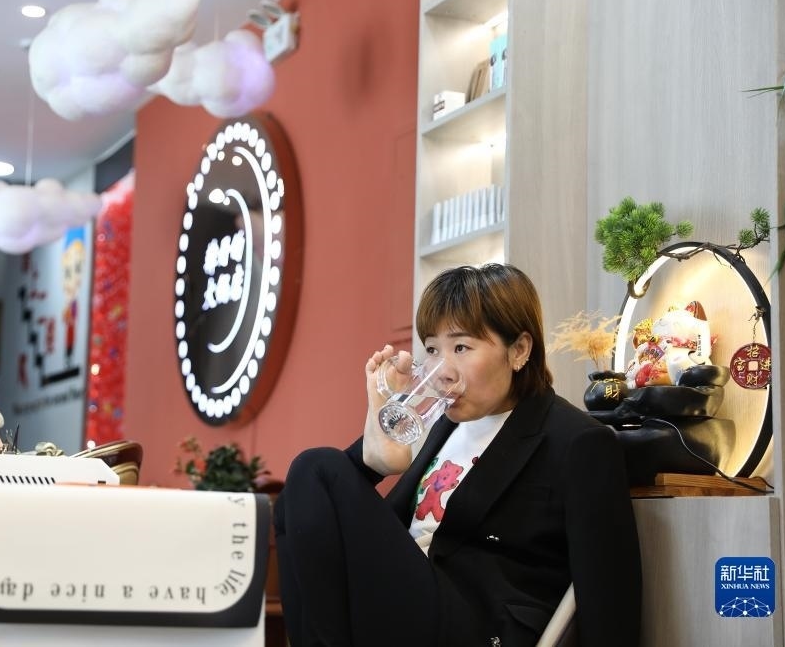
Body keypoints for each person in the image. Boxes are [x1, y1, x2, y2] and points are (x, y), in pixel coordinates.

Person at [273, 264, 641, 647]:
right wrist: (380, 416)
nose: (442, 370)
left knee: (316, 466)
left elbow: (610, 600)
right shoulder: (442, 426)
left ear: (519, 350)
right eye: (433, 349)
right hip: (406, 610)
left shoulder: (578, 442)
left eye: (461, 348)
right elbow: (310, 505)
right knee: (294, 499)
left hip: (478, 627)